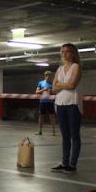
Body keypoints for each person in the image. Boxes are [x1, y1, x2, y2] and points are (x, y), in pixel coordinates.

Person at [51, 43, 82, 173]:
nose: (64, 54)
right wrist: (64, 85)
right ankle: (64, 163)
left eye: (67, 51)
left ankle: (72, 164)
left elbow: (72, 85)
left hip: (73, 104)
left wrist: (60, 84)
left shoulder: (76, 67)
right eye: (63, 51)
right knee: (65, 136)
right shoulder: (59, 69)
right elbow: (53, 88)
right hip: (60, 104)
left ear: (73, 53)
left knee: (74, 135)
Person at [35, 70, 56, 135]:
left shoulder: (53, 84)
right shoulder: (40, 83)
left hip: (50, 102)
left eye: (51, 76)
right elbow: (37, 92)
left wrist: (52, 91)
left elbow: (55, 92)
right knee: (41, 116)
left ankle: (53, 132)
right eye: (48, 76)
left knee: (52, 117)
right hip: (42, 102)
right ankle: (40, 131)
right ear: (45, 76)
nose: (49, 77)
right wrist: (43, 90)